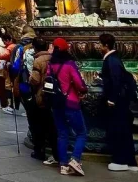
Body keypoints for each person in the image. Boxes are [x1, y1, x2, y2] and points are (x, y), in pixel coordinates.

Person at [98, 32, 138, 172]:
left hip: (118, 102)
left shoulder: (111, 60)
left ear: (106, 45)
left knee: (118, 130)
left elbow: (116, 81)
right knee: (124, 130)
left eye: (100, 44)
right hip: (121, 100)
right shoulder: (114, 59)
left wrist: (112, 99)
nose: (98, 46)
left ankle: (120, 160)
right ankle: (130, 161)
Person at [48, 37, 88, 177]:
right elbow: (79, 83)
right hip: (70, 102)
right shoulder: (70, 64)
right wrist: (83, 91)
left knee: (62, 134)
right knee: (81, 133)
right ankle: (75, 159)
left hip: (56, 103)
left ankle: (63, 164)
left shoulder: (50, 65)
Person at [27, 37, 58, 166]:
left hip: (41, 95)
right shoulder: (53, 58)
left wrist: (29, 79)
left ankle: (39, 150)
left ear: (35, 47)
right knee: (52, 126)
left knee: (39, 125)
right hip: (53, 96)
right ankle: (56, 151)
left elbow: (35, 80)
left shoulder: (38, 60)